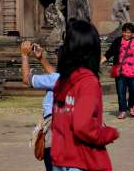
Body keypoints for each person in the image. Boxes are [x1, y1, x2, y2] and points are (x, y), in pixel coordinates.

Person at [51, 20, 119, 171]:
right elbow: (82, 127)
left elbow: (56, 122)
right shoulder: (88, 82)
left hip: (60, 159)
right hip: (82, 161)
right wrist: (108, 133)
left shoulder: (62, 80)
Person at [22, 40, 59, 170]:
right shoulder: (79, 76)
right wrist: (41, 58)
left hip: (54, 126)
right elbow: (54, 74)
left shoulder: (57, 80)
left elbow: (26, 78)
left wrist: (25, 55)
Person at [105, 22, 134, 119]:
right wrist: (100, 61)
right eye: (124, 32)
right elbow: (110, 52)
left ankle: (131, 106)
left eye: (128, 32)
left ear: (132, 33)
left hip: (133, 71)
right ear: (122, 32)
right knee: (121, 92)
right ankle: (122, 110)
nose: (126, 34)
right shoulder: (118, 41)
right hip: (121, 71)